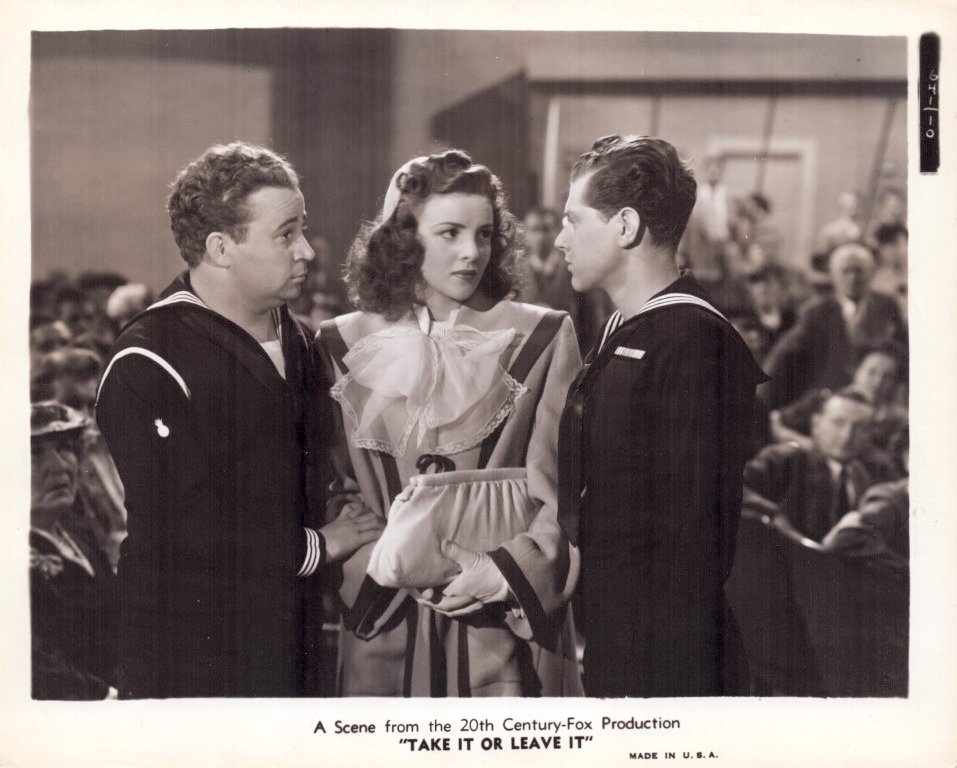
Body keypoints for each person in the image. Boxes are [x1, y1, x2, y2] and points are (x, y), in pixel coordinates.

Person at [95, 142, 383, 698]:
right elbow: (182, 530)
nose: (306, 250)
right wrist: (319, 546)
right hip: (190, 655)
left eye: (302, 230)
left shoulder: (302, 341)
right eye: (286, 234)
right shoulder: (147, 359)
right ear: (220, 248)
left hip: (289, 637)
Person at [316, 149, 582, 697]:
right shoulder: (339, 343)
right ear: (403, 238)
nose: (471, 252)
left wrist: (504, 573)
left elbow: (564, 496)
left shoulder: (545, 336)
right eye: (450, 233)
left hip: (500, 626)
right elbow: (335, 488)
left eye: (484, 235)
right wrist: (382, 572)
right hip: (385, 624)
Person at [555, 135, 767, 697]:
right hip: (620, 634)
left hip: (666, 661)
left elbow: (693, 547)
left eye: (573, 220)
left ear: (625, 226)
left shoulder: (695, 340)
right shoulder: (627, 327)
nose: (559, 238)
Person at [30, 401, 119, 700]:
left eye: (65, 447)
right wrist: (106, 695)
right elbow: (34, 668)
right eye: (34, 454)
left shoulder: (78, 533)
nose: (59, 466)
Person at [763, 242, 907, 409]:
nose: (853, 278)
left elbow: (903, 349)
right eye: (846, 271)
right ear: (833, 275)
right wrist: (763, 402)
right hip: (830, 399)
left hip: (876, 399)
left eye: (859, 271)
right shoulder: (816, 312)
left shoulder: (886, 306)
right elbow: (784, 355)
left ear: (871, 274)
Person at [745, 389, 876, 544]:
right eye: (838, 423)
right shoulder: (785, 459)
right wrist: (774, 516)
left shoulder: (862, 478)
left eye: (859, 428)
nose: (847, 435)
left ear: (869, 435)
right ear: (816, 424)